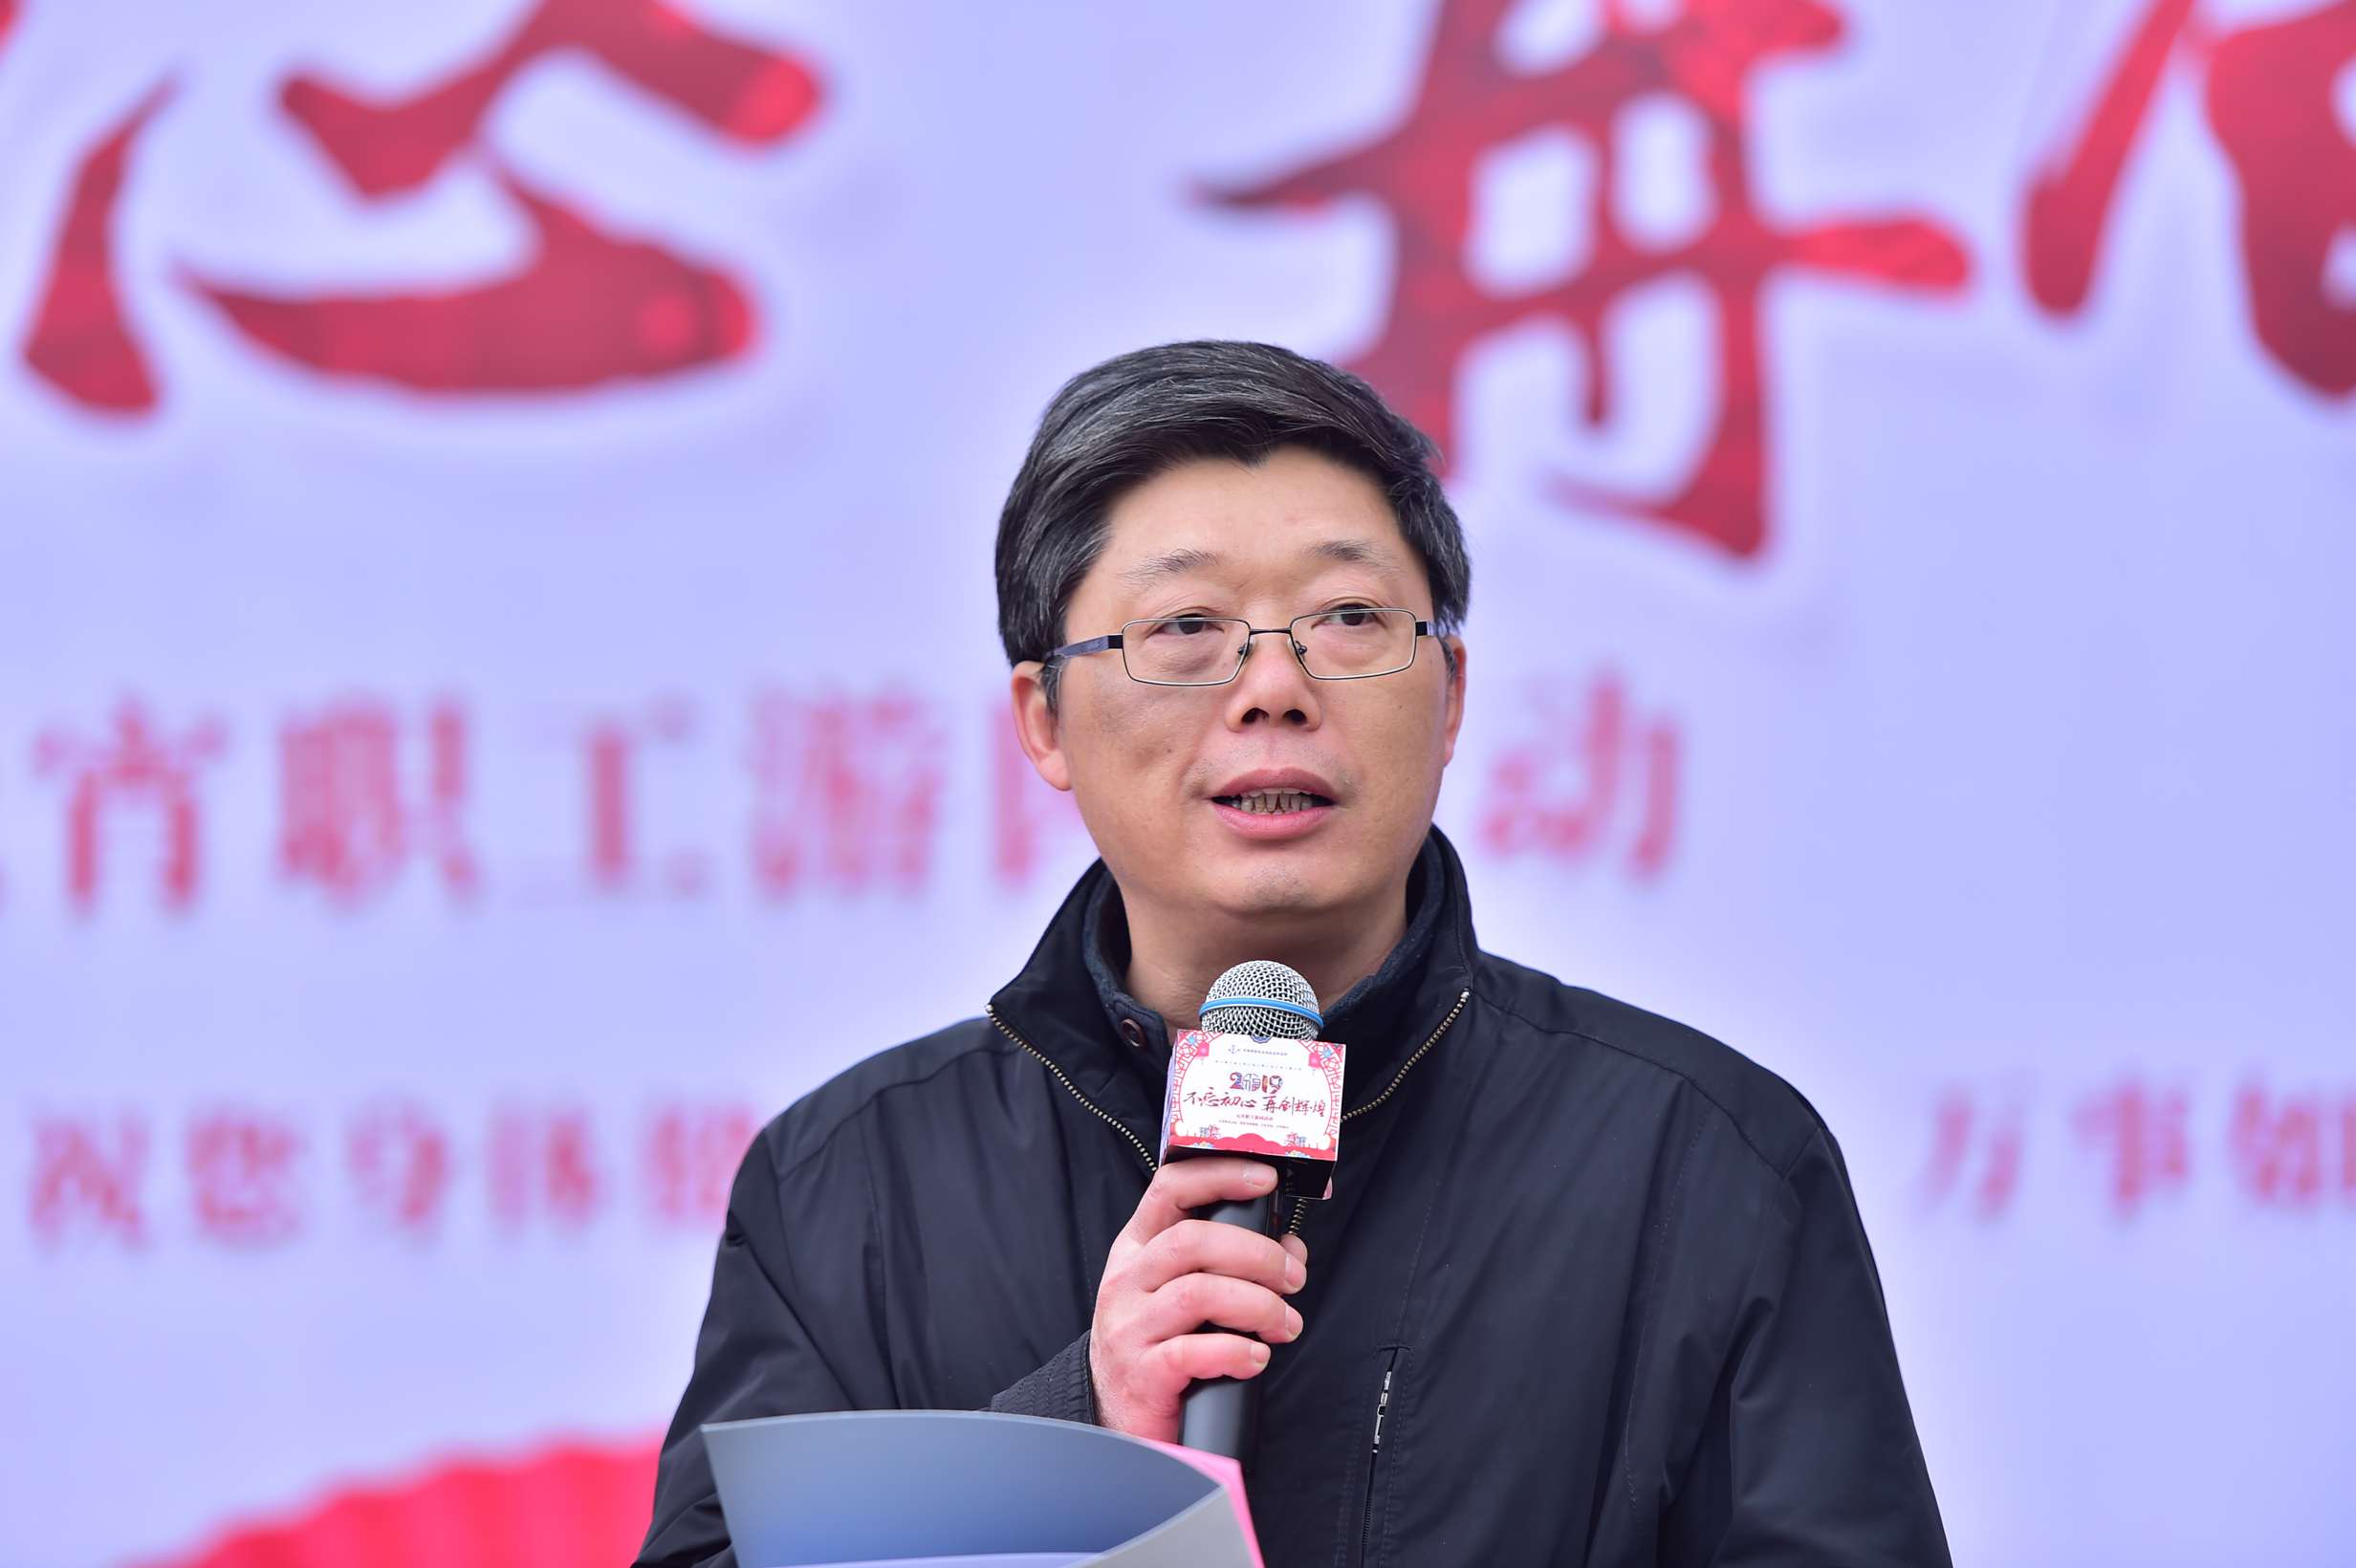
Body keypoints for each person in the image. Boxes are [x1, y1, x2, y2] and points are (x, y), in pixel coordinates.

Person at [636, 340, 1950, 1567]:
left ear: (1452, 697)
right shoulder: (849, 1186)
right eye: (1185, 629)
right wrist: (1077, 1429)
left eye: (1349, 618)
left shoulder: (1707, 1162)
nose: (1275, 687)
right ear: (1043, 719)